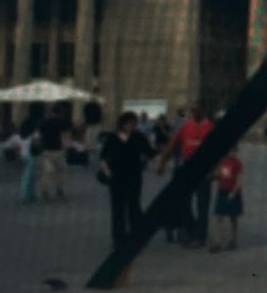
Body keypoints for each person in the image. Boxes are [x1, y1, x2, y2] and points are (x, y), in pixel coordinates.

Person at [158, 105, 215, 246]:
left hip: (203, 170)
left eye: (198, 109)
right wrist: (163, 163)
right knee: (184, 202)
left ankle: (200, 237)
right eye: (193, 110)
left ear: (203, 111)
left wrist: (214, 171)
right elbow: (172, 146)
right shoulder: (186, 126)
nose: (195, 112)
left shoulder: (210, 127)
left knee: (203, 205)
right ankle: (190, 231)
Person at [98, 111, 154, 250]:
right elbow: (103, 157)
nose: (131, 126)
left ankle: (136, 238)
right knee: (118, 210)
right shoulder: (112, 138)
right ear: (122, 123)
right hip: (116, 178)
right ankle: (119, 240)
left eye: (133, 124)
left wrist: (162, 156)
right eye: (129, 123)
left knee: (134, 208)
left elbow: (150, 152)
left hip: (134, 178)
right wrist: (107, 172)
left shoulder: (138, 137)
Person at [209, 146, 245, 253]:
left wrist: (233, 193)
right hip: (222, 191)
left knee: (233, 218)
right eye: (231, 151)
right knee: (219, 216)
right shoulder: (222, 162)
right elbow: (216, 175)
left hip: (232, 192)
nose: (233, 153)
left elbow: (240, 180)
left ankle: (233, 240)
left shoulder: (237, 164)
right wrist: (215, 175)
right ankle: (217, 242)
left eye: (235, 151)